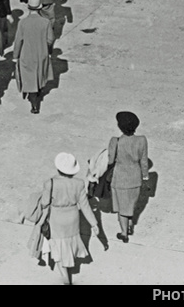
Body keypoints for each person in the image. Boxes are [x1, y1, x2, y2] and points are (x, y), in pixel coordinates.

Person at [35, 153, 101, 285]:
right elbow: (85, 205)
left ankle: (66, 280)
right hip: (72, 218)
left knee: (58, 248)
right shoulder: (79, 183)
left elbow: (44, 203)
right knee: (69, 244)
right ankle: (69, 265)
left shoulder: (50, 183)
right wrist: (94, 224)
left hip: (56, 218)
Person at [107, 110, 149, 243]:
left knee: (122, 208)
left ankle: (124, 232)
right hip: (136, 178)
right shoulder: (142, 140)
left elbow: (110, 161)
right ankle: (130, 225)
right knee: (131, 204)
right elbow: (144, 160)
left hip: (120, 179)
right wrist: (145, 176)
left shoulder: (116, 141)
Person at [13, 0, 55, 113]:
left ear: (28, 8)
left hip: (27, 54)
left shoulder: (23, 22)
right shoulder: (45, 22)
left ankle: (34, 105)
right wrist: (47, 50)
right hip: (41, 53)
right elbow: (50, 39)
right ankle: (38, 94)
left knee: (30, 80)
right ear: (40, 8)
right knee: (40, 75)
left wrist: (15, 56)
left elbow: (18, 40)